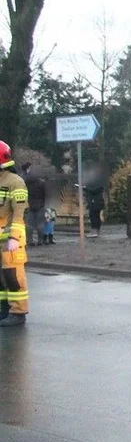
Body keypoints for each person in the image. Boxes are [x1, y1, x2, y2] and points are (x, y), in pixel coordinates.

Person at [0, 140, 29, 326]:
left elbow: (19, 212)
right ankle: (4, 308)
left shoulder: (15, 182)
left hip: (11, 241)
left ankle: (18, 312)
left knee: (13, 277)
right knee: (1, 278)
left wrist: (14, 238)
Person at [21, 163, 45, 246]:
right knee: (40, 223)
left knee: (29, 224)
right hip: (40, 205)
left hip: (29, 204)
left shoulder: (25, 182)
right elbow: (45, 194)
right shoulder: (41, 182)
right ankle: (40, 240)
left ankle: (29, 240)